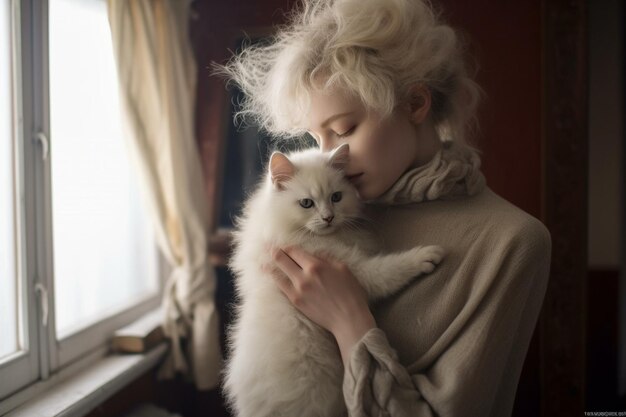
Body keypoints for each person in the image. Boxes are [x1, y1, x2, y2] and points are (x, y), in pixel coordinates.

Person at [216, 0, 552, 416]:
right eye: (315, 138)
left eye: (343, 130)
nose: (329, 155)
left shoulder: (511, 241)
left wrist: (349, 319)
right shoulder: (334, 217)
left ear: (415, 104)